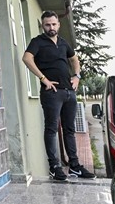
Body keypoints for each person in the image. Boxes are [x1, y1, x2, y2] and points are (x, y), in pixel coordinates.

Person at [22, 11, 95, 181]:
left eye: (54, 24)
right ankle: (54, 167)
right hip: (52, 93)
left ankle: (75, 166)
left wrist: (77, 77)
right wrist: (43, 79)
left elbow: (74, 59)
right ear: (43, 25)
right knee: (51, 129)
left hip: (69, 91)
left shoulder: (63, 43)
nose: (51, 27)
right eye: (47, 24)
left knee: (69, 130)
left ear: (58, 25)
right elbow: (26, 58)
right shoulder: (37, 42)